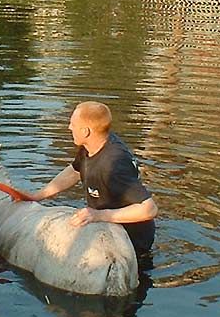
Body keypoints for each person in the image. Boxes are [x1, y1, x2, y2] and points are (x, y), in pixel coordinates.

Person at [34, 101, 158, 254]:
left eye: (73, 124)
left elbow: (149, 209)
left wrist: (98, 215)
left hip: (132, 242)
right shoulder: (93, 145)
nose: (69, 127)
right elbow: (74, 172)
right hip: (106, 229)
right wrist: (37, 196)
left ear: (86, 131)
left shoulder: (113, 165)